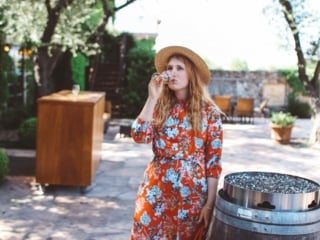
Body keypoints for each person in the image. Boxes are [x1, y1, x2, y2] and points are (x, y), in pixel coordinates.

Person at [130, 45, 223, 239]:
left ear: (191, 74)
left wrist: (209, 204)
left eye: (179, 68)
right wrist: (151, 98)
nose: (172, 72)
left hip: (192, 195)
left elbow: (213, 162)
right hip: (156, 191)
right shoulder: (159, 105)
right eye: (169, 68)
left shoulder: (210, 112)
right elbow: (139, 136)